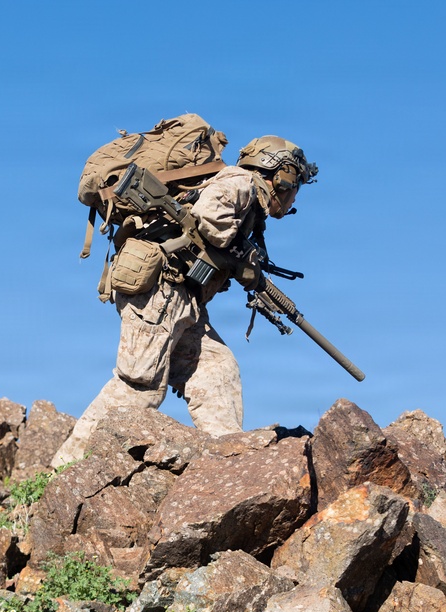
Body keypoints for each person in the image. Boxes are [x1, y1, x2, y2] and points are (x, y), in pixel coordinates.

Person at [52, 136, 317, 467]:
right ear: (281, 175)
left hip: (182, 301)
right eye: (295, 186)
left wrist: (246, 265)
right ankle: (66, 469)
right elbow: (210, 222)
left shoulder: (247, 201)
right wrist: (242, 260)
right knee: (140, 386)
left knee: (217, 368)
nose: (293, 197)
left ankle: (231, 460)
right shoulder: (239, 182)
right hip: (161, 292)